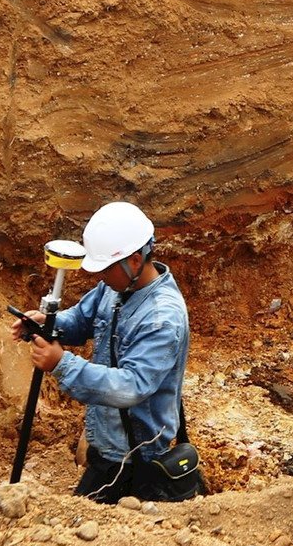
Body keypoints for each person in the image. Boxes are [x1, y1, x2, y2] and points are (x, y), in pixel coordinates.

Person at [13, 201, 204, 501]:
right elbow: (81, 320)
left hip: (135, 455)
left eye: (105, 268)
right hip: (109, 442)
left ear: (136, 261)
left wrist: (62, 364)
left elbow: (132, 386)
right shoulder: (115, 287)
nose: (98, 276)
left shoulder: (161, 318)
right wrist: (47, 324)